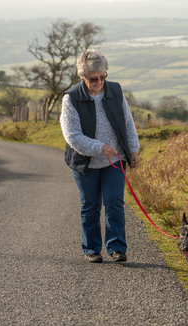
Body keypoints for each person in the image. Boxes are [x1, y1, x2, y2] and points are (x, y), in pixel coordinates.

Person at [60, 49, 140, 263]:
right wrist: (100, 147)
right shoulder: (71, 99)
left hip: (115, 160)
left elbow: (127, 122)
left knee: (114, 202)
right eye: (94, 79)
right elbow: (72, 136)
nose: (99, 82)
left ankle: (116, 248)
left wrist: (133, 149)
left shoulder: (115, 90)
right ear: (82, 77)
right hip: (86, 162)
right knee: (91, 205)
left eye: (103, 76)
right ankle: (92, 249)